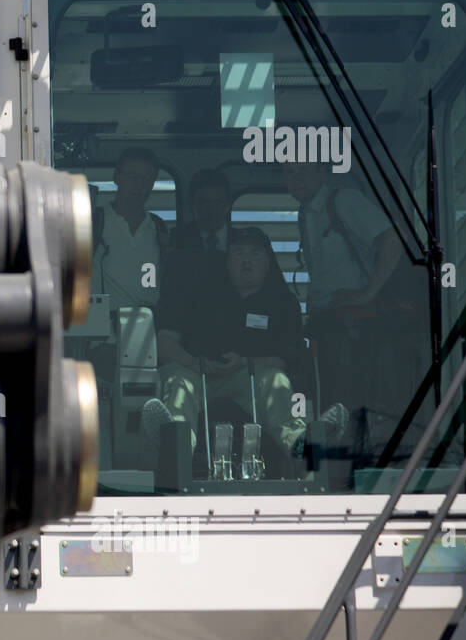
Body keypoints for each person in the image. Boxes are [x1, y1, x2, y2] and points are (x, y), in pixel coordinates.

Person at [143, 227, 348, 466]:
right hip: (193, 370)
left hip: (247, 375)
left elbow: (287, 358)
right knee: (179, 384)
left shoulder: (283, 303)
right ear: (227, 261)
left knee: (276, 380)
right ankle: (175, 448)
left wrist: (245, 363)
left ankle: (304, 446)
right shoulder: (196, 293)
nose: (247, 260)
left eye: (255, 254)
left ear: (269, 263)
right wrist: (193, 363)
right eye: (239, 254)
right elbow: (165, 341)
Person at [283, 159, 410, 417]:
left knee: (352, 406)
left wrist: (368, 293)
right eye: (289, 172)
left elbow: (394, 239)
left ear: (322, 171)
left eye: (303, 170)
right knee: (328, 404)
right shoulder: (305, 212)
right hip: (326, 324)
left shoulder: (343, 202)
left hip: (354, 328)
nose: (296, 178)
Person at [91, 147, 169, 307]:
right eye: (132, 176)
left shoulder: (159, 227)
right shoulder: (94, 221)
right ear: (116, 177)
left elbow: (153, 280)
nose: (139, 185)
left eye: (147, 179)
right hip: (103, 324)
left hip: (147, 323)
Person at [172, 168, 233, 253]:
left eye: (218, 202)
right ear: (194, 206)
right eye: (205, 202)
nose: (212, 210)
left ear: (228, 205)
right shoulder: (177, 240)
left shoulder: (243, 240)